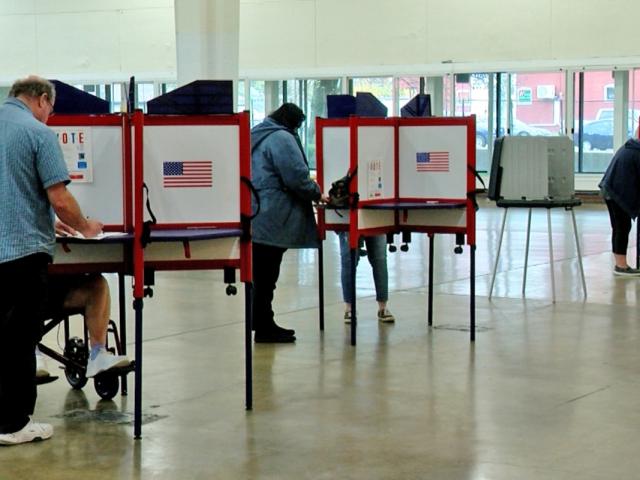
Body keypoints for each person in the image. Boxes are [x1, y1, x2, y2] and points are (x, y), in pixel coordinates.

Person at [0, 76, 103, 446]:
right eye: (51, 109)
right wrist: (85, 226)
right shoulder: (38, 134)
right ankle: (13, 423)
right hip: (22, 255)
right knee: (19, 339)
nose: (49, 116)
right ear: (42, 100)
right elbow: (59, 197)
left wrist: (46, 218)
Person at [250, 103, 326, 343]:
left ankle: (261, 320)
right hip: (274, 216)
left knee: (260, 274)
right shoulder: (281, 137)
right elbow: (296, 177)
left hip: (255, 213)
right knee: (267, 274)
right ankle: (264, 326)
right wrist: (317, 192)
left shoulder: (257, 134)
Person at [36, 222, 130, 380]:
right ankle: (28, 352)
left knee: (97, 285)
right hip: (19, 286)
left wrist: (73, 225)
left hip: (53, 286)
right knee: (25, 280)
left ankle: (98, 354)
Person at [598, 127, 640, 276]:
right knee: (622, 227)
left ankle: (620, 264)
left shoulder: (631, 147)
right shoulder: (636, 152)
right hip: (615, 192)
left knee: (620, 227)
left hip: (611, 189)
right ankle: (620, 266)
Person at [337, 233, 395, 323]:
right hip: (347, 221)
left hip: (375, 219)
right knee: (348, 261)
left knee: (380, 260)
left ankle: (383, 308)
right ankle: (349, 308)